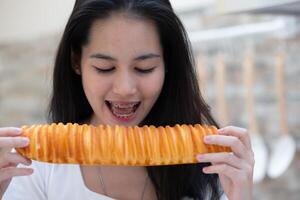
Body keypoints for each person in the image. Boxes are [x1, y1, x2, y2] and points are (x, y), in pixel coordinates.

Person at [0, 0, 254, 199]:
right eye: (104, 67)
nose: (125, 89)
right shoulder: (34, 169)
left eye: (144, 68)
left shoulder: (211, 169)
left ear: (167, 65)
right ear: (76, 61)